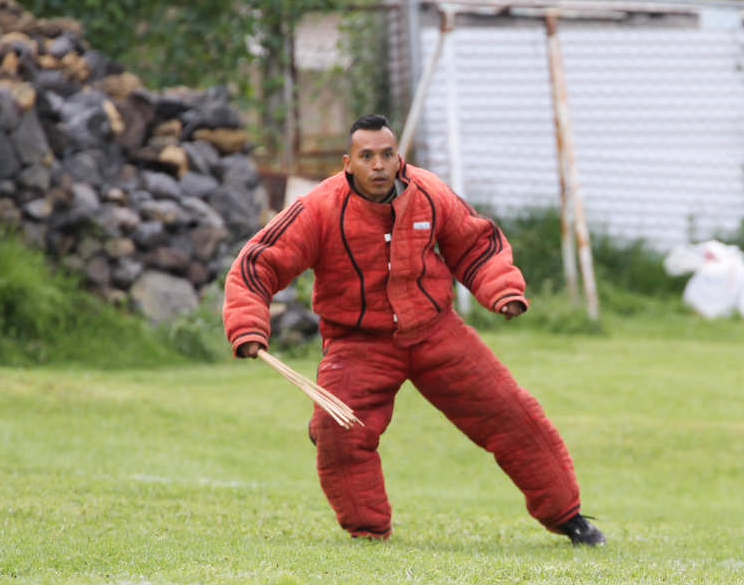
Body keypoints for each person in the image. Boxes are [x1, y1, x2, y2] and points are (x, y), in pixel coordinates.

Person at [223, 114, 605, 546]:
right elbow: (259, 261)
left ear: (397, 155)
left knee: (512, 414)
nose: (379, 165)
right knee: (337, 431)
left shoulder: (429, 191)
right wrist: (249, 326)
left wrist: (502, 289)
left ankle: (570, 518)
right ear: (348, 163)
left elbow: (475, 241)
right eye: (367, 156)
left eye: (387, 154)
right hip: (357, 343)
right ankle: (369, 533)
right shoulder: (318, 208)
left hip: (436, 331)